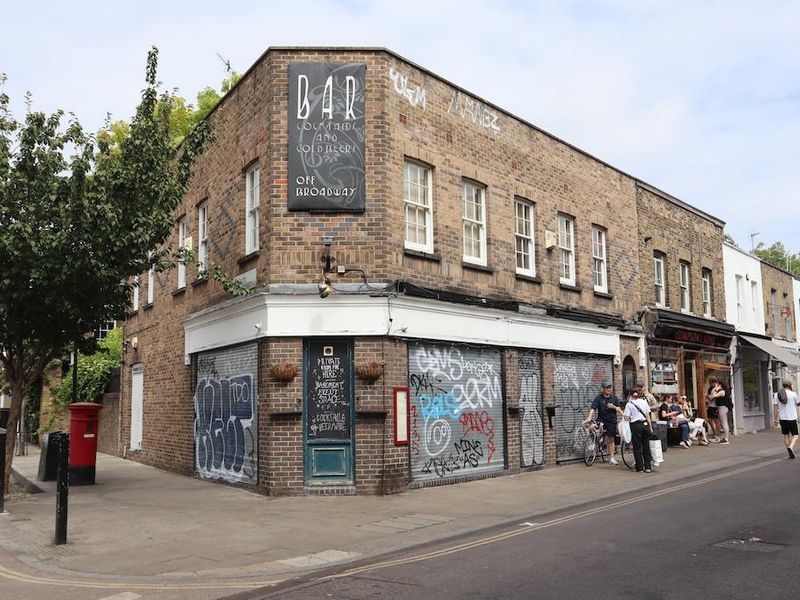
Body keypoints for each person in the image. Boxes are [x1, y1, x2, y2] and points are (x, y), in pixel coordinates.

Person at [583, 379, 623, 465]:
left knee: (611, 439)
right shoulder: (599, 398)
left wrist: (614, 407)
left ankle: (612, 457)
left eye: (609, 388)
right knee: (591, 427)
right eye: (607, 388)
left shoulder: (614, 398)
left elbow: (619, 409)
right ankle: (592, 443)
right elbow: (593, 408)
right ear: (603, 389)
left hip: (611, 421)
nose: (609, 389)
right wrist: (589, 417)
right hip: (601, 420)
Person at [623, 391, 653, 473]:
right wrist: (650, 427)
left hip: (635, 425)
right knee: (646, 446)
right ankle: (648, 467)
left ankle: (639, 467)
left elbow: (626, 417)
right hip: (645, 424)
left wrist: (625, 416)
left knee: (637, 447)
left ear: (630, 395)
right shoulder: (644, 402)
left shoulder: (629, 404)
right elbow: (647, 415)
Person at [772, 380, 800, 459]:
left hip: (782, 418)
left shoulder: (777, 395)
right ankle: (791, 447)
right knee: (795, 436)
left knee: (786, 435)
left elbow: (775, 408)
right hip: (792, 418)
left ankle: (789, 453)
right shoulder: (793, 394)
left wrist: (775, 419)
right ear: (790, 385)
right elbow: (798, 403)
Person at [708, 377, 732, 444]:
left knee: (724, 423)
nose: (717, 386)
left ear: (721, 385)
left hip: (722, 408)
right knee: (723, 423)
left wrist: (716, 389)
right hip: (721, 408)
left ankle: (726, 439)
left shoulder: (722, 391)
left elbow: (713, 396)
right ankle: (725, 438)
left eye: (718, 384)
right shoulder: (723, 391)